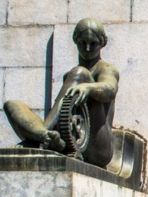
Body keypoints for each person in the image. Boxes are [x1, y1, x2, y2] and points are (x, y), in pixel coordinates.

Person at [3, 18, 119, 167]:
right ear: (75, 41)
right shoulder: (71, 76)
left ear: (103, 42)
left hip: (98, 147)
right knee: (12, 105)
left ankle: (37, 136)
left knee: (80, 73)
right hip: (70, 139)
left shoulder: (106, 69)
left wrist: (88, 88)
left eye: (93, 43)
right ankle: (45, 135)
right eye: (83, 43)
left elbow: (110, 89)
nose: (88, 48)